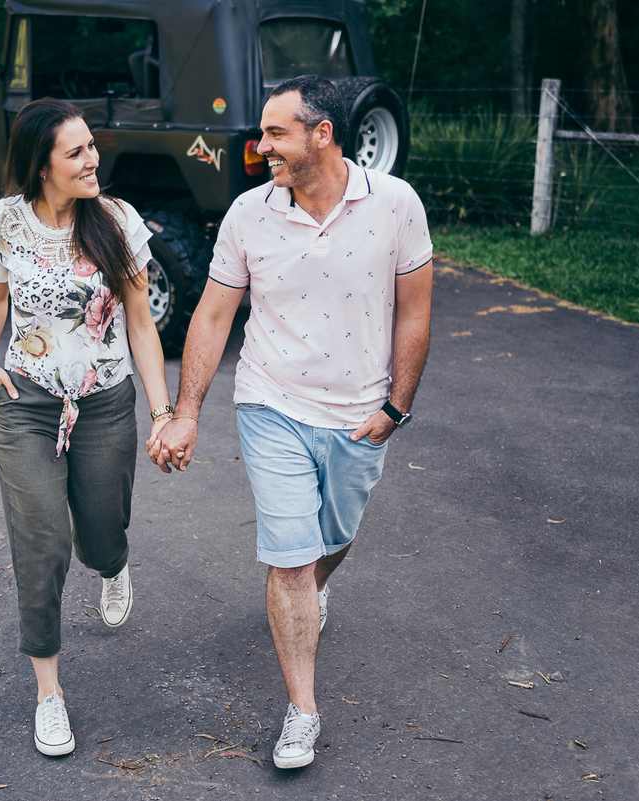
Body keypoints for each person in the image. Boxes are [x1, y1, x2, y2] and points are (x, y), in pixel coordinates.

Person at [152, 75, 432, 769]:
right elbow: (214, 314)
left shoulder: (395, 205)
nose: (260, 144)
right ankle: (302, 710)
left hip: (359, 415)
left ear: (322, 135)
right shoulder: (249, 213)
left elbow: (416, 311)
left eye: (276, 132)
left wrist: (396, 406)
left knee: (332, 539)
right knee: (291, 557)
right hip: (270, 402)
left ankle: (316, 590)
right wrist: (186, 412)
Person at [0, 97, 174, 757]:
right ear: (41, 165)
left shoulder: (117, 222)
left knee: (100, 529)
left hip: (104, 400)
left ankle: (113, 563)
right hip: (25, 401)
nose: (94, 159)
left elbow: (142, 321)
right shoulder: (5, 222)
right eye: (77, 152)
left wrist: (163, 410)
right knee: (41, 541)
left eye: (92, 146)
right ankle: (49, 693)